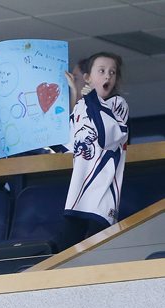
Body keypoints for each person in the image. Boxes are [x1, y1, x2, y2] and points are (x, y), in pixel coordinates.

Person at [57, 52, 129, 251]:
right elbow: (65, 145)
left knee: (97, 254)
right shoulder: (83, 105)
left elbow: (108, 137)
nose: (107, 76)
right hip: (77, 196)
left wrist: (91, 99)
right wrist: (75, 94)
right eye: (102, 71)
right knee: (65, 255)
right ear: (88, 77)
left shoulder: (118, 105)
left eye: (112, 72)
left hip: (103, 197)